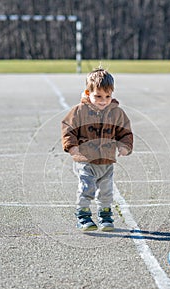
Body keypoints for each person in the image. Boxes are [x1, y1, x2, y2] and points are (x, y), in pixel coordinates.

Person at [61, 68, 133, 232]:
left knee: (106, 191)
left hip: (107, 161)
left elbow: (125, 131)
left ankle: (105, 216)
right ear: (88, 92)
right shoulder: (79, 111)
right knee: (87, 188)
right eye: (98, 96)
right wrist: (72, 147)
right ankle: (83, 216)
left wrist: (124, 145)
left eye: (107, 96)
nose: (103, 100)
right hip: (86, 160)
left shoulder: (116, 113)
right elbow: (68, 129)